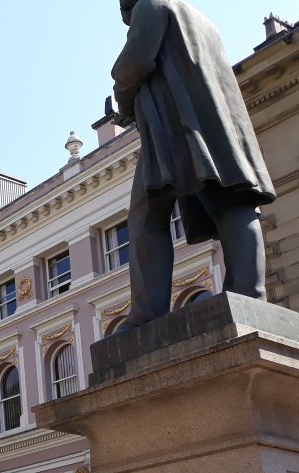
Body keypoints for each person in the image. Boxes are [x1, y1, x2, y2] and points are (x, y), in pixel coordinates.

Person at [111, 0, 276, 329]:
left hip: (176, 123)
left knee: (146, 216)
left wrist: (120, 90)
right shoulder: (204, 22)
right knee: (233, 200)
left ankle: (147, 314)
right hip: (219, 121)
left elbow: (137, 61)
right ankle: (249, 295)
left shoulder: (152, 4)